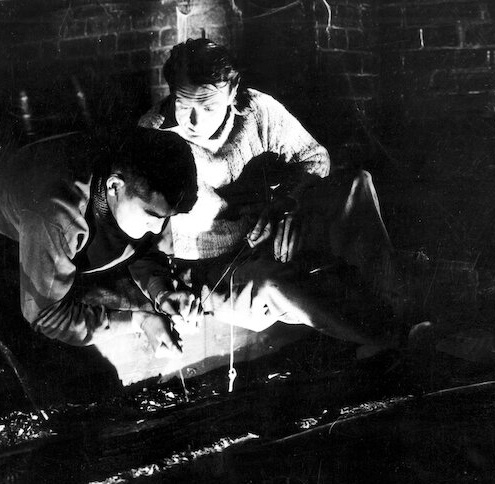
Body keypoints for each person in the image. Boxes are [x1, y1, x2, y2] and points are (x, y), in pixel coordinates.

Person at [139, 38, 416, 352]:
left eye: (208, 107)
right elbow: (136, 234)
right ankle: (395, 340)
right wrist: (163, 289)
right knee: (274, 283)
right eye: (183, 104)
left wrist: (288, 202)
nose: (194, 120)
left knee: (357, 183)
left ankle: (398, 307)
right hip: (216, 267)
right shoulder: (153, 134)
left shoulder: (257, 109)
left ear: (232, 91)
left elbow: (315, 157)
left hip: (273, 233)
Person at [0, 128, 200, 355]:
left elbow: (142, 250)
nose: (158, 229)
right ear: (114, 186)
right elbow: (45, 315)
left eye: (166, 218)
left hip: (27, 156)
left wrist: (161, 291)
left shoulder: (136, 182)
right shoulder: (58, 216)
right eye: (151, 217)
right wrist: (139, 322)